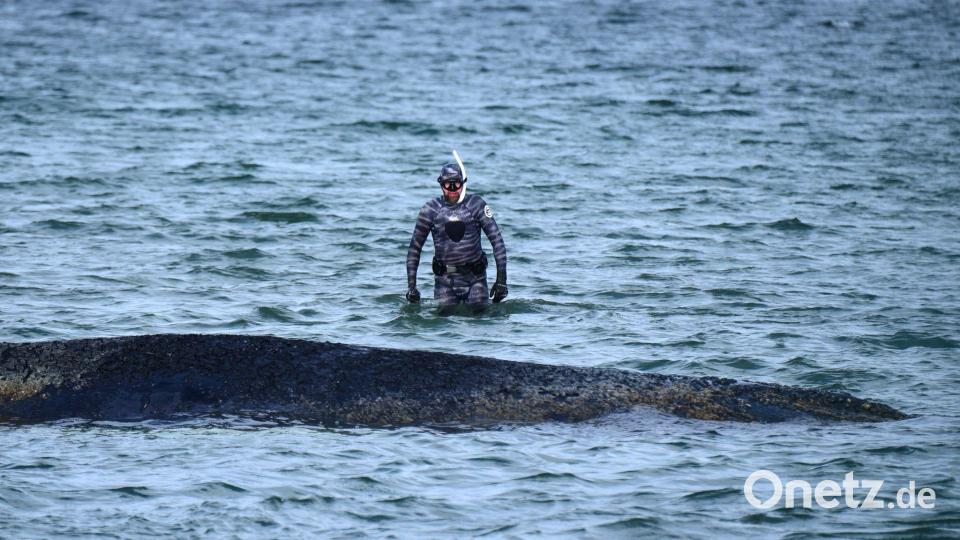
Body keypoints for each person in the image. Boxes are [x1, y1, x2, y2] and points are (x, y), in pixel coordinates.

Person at [406, 154, 507, 308]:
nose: (452, 189)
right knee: (443, 323)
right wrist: (411, 287)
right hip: (444, 282)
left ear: (463, 183)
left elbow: (497, 242)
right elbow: (415, 248)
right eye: (448, 185)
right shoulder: (430, 210)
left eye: (456, 184)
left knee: (480, 319)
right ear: (441, 184)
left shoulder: (476, 205)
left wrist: (501, 282)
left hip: (475, 279)